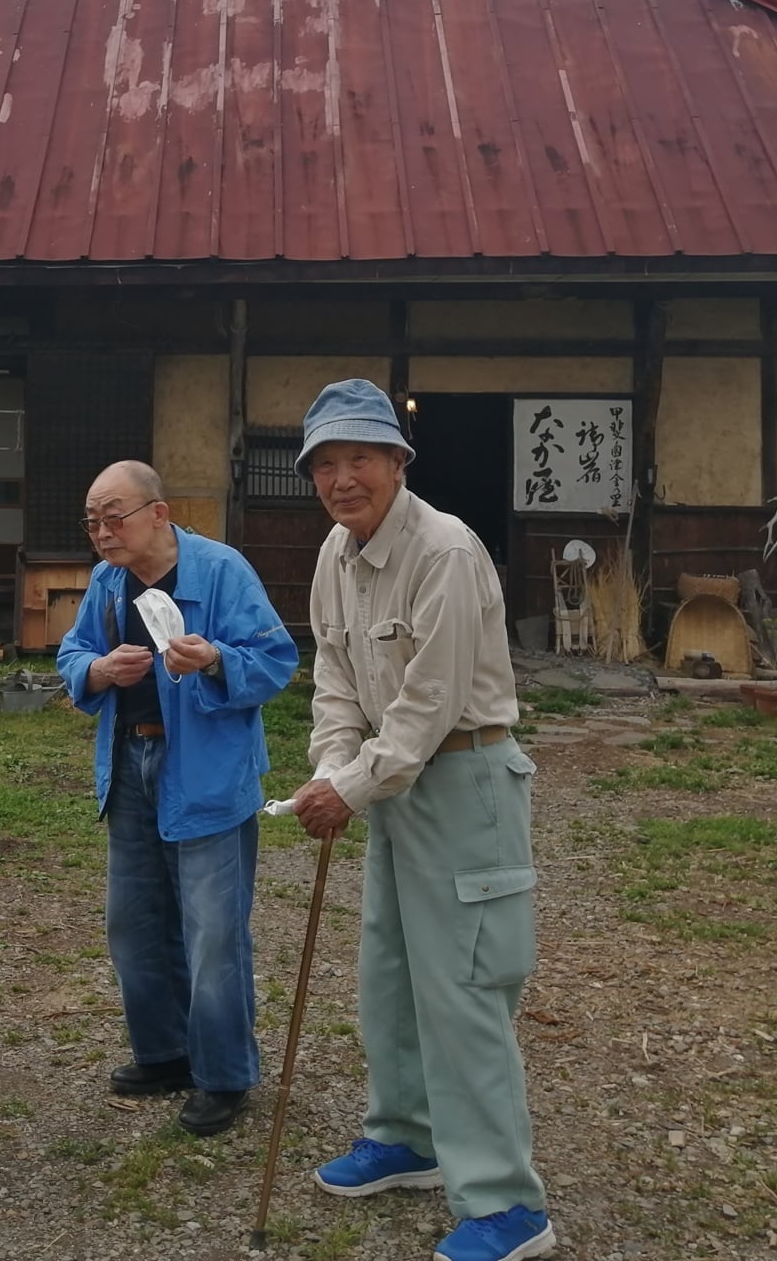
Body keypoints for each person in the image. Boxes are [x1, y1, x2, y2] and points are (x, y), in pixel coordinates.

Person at [284, 381, 555, 1261]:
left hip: (464, 776)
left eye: (359, 457)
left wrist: (352, 787)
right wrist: (332, 767)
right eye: (324, 464)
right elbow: (333, 674)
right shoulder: (335, 552)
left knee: (466, 992)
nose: (341, 478)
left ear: (398, 462)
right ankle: (407, 1137)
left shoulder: (444, 549)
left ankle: (510, 1204)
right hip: (388, 783)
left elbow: (429, 703)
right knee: (391, 974)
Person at [56, 460, 299, 1136]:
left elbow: (277, 660)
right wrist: (99, 669)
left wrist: (216, 659)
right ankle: (165, 1053)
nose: (103, 533)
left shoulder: (220, 571)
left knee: (214, 932)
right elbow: (71, 652)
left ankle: (223, 1075)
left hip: (208, 770)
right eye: (93, 521)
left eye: (116, 517)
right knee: (134, 922)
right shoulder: (107, 584)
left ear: (158, 514)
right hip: (129, 758)